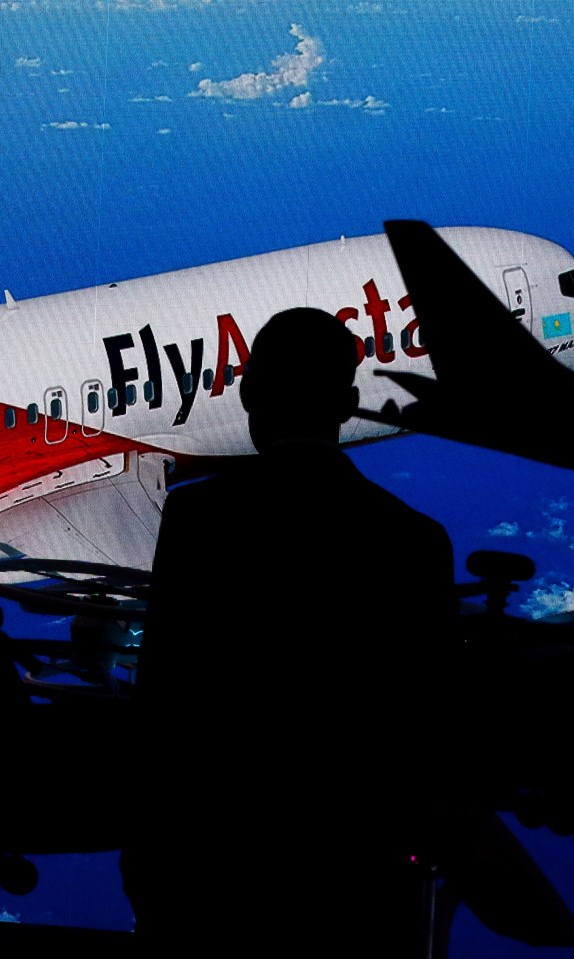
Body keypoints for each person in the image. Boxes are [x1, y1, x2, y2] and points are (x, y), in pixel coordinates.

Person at [130, 307, 455, 954]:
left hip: (211, 876)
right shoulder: (415, 539)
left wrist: (146, 858)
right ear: (350, 404)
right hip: (358, 885)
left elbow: (165, 697)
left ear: (249, 396)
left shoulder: (195, 519)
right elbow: (432, 723)